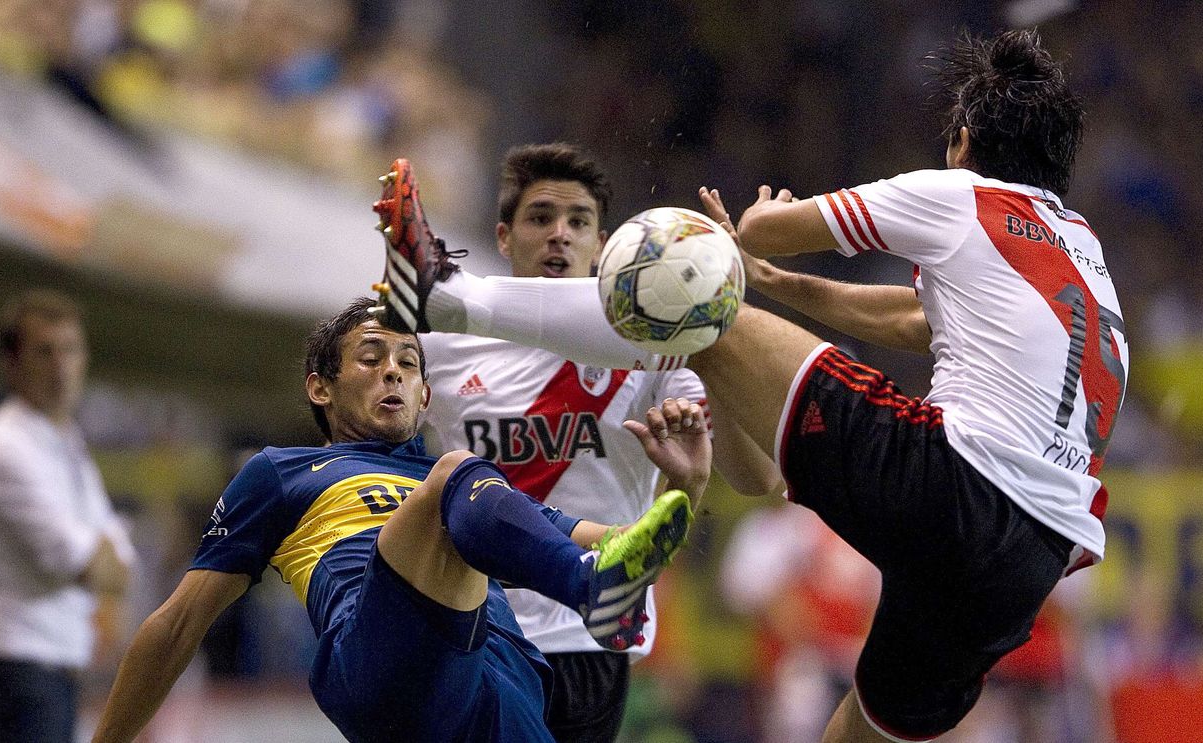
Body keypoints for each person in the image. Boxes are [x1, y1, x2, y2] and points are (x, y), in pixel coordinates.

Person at [370, 30, 1125, 741]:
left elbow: (769, 229)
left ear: (963, 139)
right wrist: (779, 285)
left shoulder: (961, 196)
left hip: (956, 482)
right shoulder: (1081, 253)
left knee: (693, 296)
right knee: (867, 728)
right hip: (1031, 561)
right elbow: (911, 317)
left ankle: (442, 294)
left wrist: (758, 231)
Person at [89, 297, 708, 742]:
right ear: (320, 388)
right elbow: (178, 624)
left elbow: (625, 545)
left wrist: (684, 485)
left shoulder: (471, 492)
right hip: (377, 661)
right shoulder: (284, 471)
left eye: (409, 363)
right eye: (370, 358)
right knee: (458, 477)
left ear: (425, 395)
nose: (394, 371)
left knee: (467, 486)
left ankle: (591, 582)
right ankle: (587, 585)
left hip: (498, 682)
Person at [411, 142, 780, 741]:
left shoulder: (655, 354)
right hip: (472, 628)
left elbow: (759, 478)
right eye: (540, 218)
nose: (560, 234)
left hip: (587, 635)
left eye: (578, 221)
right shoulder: (440, 349)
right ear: (504, 238)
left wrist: (718, 333)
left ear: (607, 246)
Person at [0, 289, 134, 743]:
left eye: (70, 349)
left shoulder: (65, 443)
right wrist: (102, 554)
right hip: (12, 675)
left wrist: (104, 556)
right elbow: (86, 564)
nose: (60, 366)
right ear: (12, 363)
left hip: (46, 676)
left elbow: (122, 566)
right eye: (44, 351)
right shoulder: (3, 449)